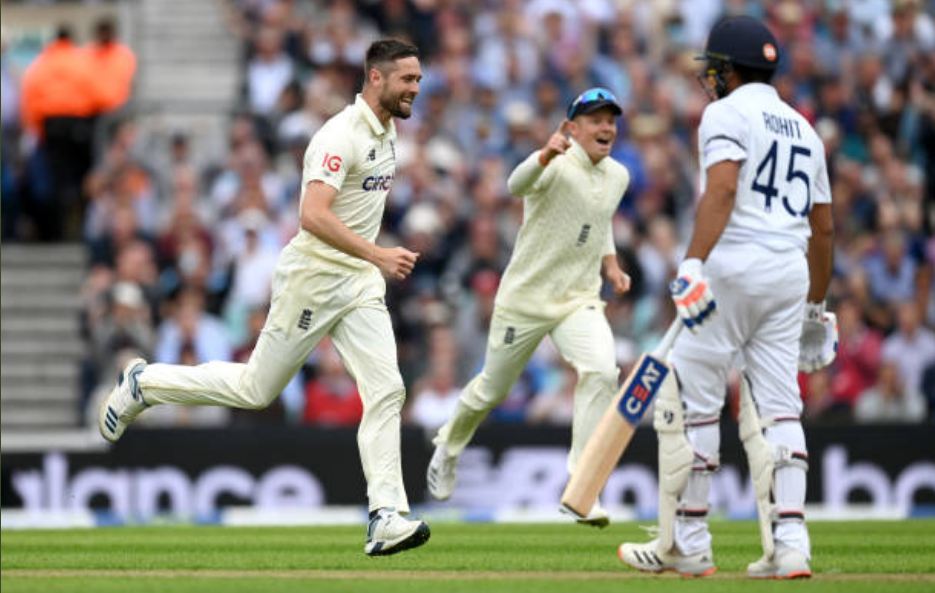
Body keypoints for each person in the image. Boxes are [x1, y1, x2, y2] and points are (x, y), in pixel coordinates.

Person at [99, 39, 430, 557]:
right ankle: (146, 383)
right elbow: (312, 216)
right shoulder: (339, 135)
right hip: (314, 279)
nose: (415, 88)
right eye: (407, 79)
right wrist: (379, 254)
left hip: (359, 284)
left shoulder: (388, 134)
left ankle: (385, 515)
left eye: (418, 80)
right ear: (375, 79)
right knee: (257, 390)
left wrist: (370, 263)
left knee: (387, 390)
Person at [618, 16, 837, 579]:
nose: (709, 79)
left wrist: (692, 262)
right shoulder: (805, 129)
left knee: (692, 407)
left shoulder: (724, 112)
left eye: (714, 69)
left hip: (733, 264)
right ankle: (791, 544)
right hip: (789, 271)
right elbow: (826, 228)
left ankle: (688, 540)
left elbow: (722, 188)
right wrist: (815, 305)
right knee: (781, 408)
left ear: (730, 71)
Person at [426, 87, 632, 527]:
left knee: (603, 371)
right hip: (525, 299)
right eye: (596, 120)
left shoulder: (618, 176)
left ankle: (583, 487)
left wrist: (611, 264)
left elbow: (599, 220)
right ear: (572, 129)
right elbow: (514, 185)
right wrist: (544, 153)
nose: (606, 128)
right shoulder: (554, 163)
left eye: (611, 120)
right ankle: (448, 445)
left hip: (578, 298)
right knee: (491, 390)